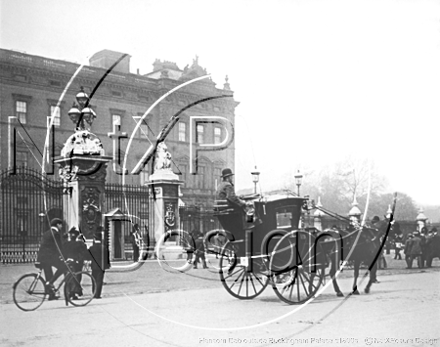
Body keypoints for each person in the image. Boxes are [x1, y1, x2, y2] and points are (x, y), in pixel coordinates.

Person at [36, 218, 66, 300]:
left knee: (48, 274)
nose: (61, 226)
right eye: (61, 224)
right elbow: (59, 247)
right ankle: (51, 283)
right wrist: (63, 257)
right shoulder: (55, 233)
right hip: (49, 257)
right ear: (57, 225)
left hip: (42, 258)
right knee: (63, 267)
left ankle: (51, 294)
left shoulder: (46, 233)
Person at [63, 227, 88, 299]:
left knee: (68, 277)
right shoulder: (80, 244)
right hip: (77, 263)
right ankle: (74, 292)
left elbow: (63, 253)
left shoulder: (66, 244)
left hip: (68, 262)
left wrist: (65, 260)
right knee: (77, 277)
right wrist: (78, 260)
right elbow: (83, 254)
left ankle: (69, 292)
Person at [88, 226, 110, 299]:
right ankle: (98, 294)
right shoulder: (104, 247)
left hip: (94, 266)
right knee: (99, 280)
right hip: (101, 266)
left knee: (93, 279)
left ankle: (94, 293)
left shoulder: (92, 248)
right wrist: (107, 265)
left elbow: (89, 257)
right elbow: (107, 257)